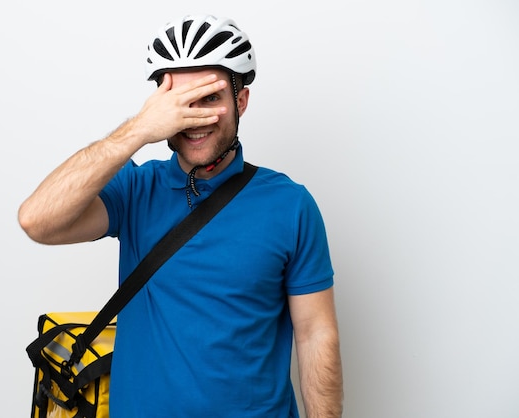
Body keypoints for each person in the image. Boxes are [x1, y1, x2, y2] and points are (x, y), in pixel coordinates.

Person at [19, 14, 343, 418]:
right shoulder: (136, 190)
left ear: (240, 101)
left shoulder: (290, 205)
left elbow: (316, 334)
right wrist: (137, 129)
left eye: (210, 98)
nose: (196, 118)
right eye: (180, 102)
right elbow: (38, 220)